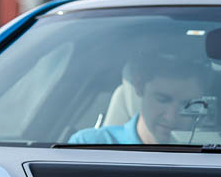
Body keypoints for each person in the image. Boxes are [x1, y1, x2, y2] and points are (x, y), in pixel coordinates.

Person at [69, 53, 209, 145]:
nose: (172, 117)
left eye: (187, 105)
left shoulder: (215, 157)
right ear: (139, 86)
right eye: (162, 99)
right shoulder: (89, 146)